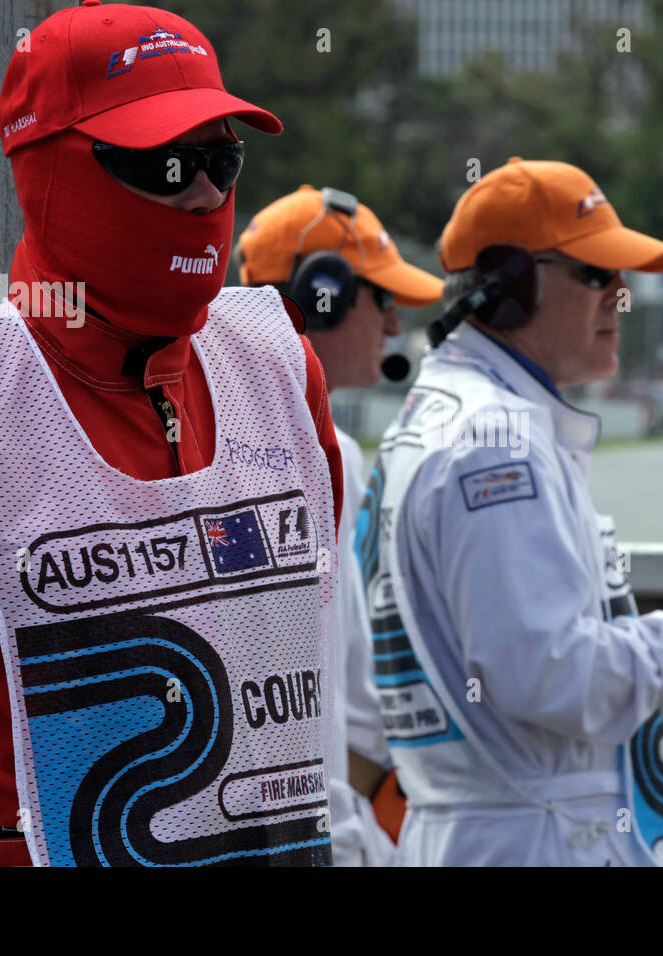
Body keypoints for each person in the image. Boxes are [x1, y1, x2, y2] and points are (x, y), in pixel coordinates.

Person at [0, 2, 343, 867]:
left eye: (223, 158)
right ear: (48, 171)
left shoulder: (281, 371)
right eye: (168, 163)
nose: (207, 193)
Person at [356, 157, 663, 866]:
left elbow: (515, 664)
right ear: (509, 286)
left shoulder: (458, 415)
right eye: (597, 275)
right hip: (529, 842)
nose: (622, 297)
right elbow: (545, 673)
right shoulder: (494, 440)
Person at [235, 185, 444, 864]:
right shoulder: (325, 455)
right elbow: (340, 697)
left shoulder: (223, 425)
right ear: (321, 292)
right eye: (382, 300)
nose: (392, 327)